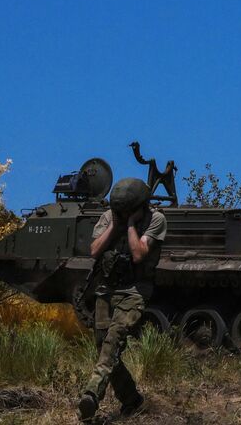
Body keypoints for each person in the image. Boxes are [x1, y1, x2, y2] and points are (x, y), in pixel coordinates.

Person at [77, 177, 167, 422]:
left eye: (127, 209)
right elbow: (95, 250)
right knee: (102, 346)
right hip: (106, 290)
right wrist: (116, 224)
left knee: (112, 343)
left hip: (134, 291)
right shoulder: (109, 217)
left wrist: (130, 225)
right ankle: (132, 400)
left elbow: (138, 254)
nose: (121, 213)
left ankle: (91, 395)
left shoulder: (155, 219)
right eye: (119, 209)